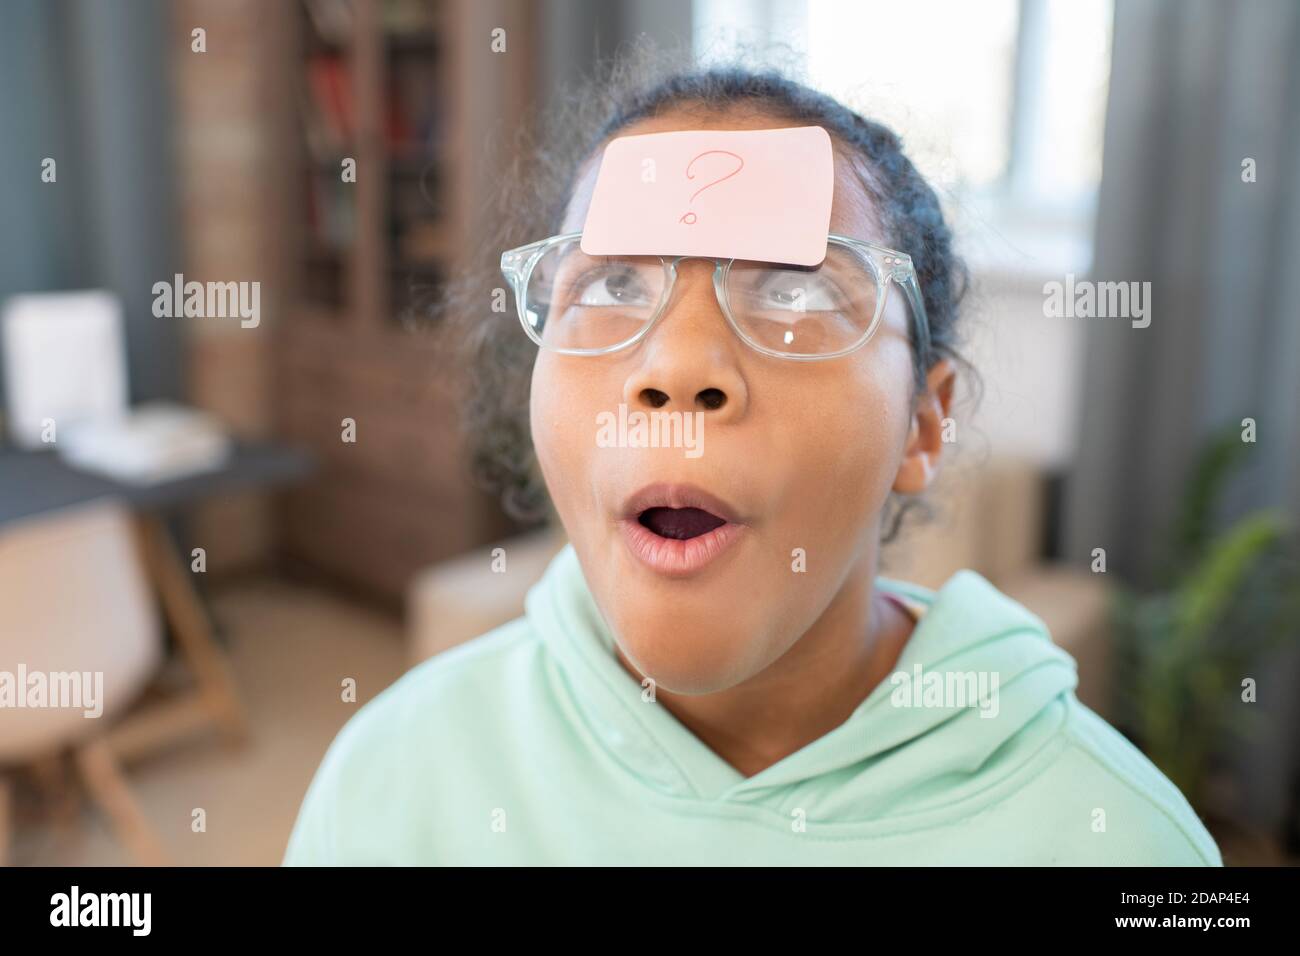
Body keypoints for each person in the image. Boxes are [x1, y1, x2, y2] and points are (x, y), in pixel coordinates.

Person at [283, 65, 1221, 866]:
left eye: (793, 290)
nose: (678, 370)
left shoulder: (1122, 845)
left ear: (921, 427)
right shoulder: (390, 777)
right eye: (612, 285)